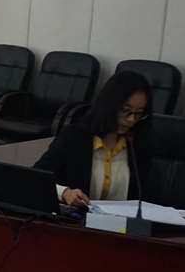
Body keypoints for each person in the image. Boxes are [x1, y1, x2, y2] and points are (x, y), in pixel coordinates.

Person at [34, 71, 152, 206]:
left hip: (122, 219)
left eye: (139, 113)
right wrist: (65, 193)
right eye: (126, 111)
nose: (131, 119)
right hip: (77, 217)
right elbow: (37, 178)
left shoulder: (138, 144)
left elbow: (149, 196)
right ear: (109, 105)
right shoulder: (73, 137)